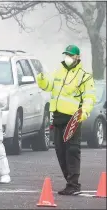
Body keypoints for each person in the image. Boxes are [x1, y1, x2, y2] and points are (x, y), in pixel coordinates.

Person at [37, 45, 96, 195]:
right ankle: (69, 182)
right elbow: (47, 86)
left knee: (72, 151)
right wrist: (42, 78)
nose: (68, 57)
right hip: (57, 118)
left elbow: (89, 97)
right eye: (66, 54)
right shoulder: (59, 71)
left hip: (73, 119)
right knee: (60, 151)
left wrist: (82, 114)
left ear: (77, 57)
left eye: (70, 55)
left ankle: (74, 184)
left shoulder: (84, 76)